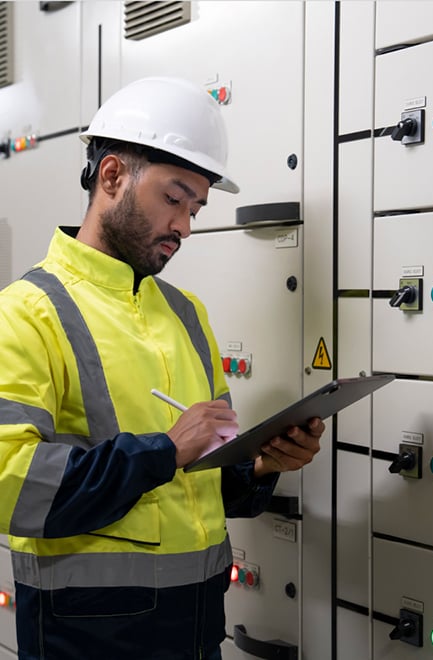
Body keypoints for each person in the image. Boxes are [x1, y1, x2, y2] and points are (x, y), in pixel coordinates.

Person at [0, 76, 324, 660]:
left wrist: (258, 463)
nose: (185, 227)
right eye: (174, 199)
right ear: (113, 176)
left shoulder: (185, 312)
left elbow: (207, 484)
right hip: (84, 638)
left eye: (195, 208)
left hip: (196, 625)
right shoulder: (25, 312)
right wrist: (161, 450)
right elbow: (10, 485)